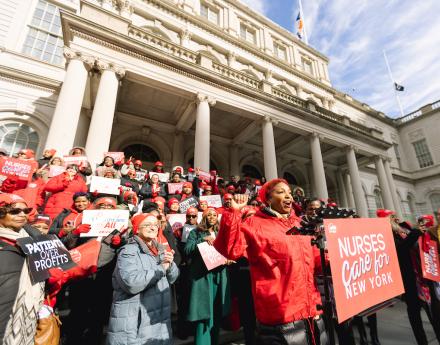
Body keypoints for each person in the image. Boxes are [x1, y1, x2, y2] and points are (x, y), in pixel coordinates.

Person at [214, 179, 328, 345]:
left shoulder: (300, 224)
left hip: (313, 312)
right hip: (281, 317)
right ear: (267, 199)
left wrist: (337, 260)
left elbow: (317, 259)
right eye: (281, 192)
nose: (288, 195)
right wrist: (233, 213)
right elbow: (230, 250)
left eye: (289, 192)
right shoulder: (254, 224)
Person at [107, 213, 179, 345]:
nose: (153, 228)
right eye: (147, 225)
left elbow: (173, 278)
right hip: (136, 323)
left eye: (155, 225)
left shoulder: (160, 249)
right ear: (137, 229)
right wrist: (161, 268)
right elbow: (131, 283)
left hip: (158, 319)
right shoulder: (128, 251)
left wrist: (170, 265)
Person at [0, 193, 45, 345]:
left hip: (24, 325)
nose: (22, 215)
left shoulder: (34, 241)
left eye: (26, 211)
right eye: (14, 211)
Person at [185, 207, 231, 345]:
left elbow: (228, 250)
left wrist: (228, 259)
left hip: (219, 276)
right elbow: (187, 250)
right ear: (204, 217)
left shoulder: (221, 232)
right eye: (209, 214)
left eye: (214, 215)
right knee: (204, 314)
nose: (212, 217)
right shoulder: (196, 232)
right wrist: (202, 241)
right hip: (203, 278)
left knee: (217, 312)